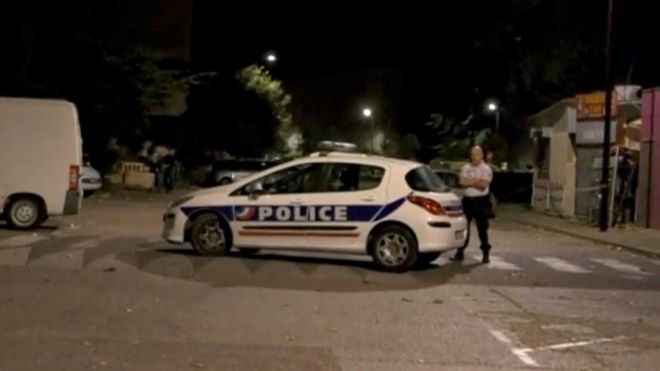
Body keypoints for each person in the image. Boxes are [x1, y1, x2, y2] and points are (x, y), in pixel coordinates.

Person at [450, 146, 493, 263]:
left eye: (476, 154)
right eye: (472, 154)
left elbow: (483, 185)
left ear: (481, 155)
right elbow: (462, 182)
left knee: (482, 229)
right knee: (464, 228)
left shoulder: (486, 169)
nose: (474, 156)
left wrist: (470, 182)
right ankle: (460, 252)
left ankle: (485, 253)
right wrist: (476, 181)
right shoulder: (465, 168)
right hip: (467, 201)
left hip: (481, 201)